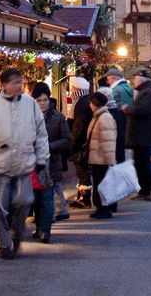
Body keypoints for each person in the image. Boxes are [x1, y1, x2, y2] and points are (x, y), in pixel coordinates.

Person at [0, 67, 50, 259]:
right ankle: (4, 244)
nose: (18, 85)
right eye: (14, 82)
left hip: (24, 164)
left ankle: (16, 231)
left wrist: (41, 158)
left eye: (19, 82)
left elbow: (41, 134)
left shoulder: (30, 104)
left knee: (24, 201)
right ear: (3, 85)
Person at [30, 83, 70, 241]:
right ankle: (39, 227)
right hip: (32, 163)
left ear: (49, 100)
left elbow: (67, 139)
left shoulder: (58, 117)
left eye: (44, 100)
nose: (42, 103)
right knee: (35, 198)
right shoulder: (29, 116)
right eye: (38, 100)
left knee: (47, 196)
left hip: (51, 162)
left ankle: (45, 230)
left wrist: (49, 146)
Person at [123, 68, 151, 199]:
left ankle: (150, 188)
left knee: (142, 163)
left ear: (140, 80)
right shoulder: (146, 92)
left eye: (135, 79)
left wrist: (127, 109)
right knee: (142, 162)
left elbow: (142, 110)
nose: (133, 81)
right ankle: (148, 188)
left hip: (143, 135)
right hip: (143, 135)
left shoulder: (146, 93)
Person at [86, 90, 118, 219]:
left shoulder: (104, 118)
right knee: (99, 184)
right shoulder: (99, 116)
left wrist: (110, 161)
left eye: (90, 103)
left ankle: (104, 209)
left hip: (101, 159)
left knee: (102, 184)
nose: (89, 105)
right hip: (98, 158)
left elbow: (108, 142)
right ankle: (102, 208)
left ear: (95, 103)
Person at [68, 77, 93, 209]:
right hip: (82, 141)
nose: (70, 90)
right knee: (81, 169)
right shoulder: (82, 101)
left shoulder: (80, 104)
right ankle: (82, 196)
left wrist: (72, 143)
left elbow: (79, 126)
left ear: (77, 89)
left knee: (81, 169)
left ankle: (85, 198)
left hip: (80, 143)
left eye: (72, 88)